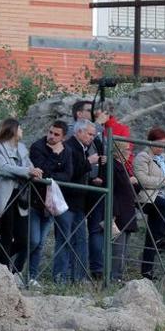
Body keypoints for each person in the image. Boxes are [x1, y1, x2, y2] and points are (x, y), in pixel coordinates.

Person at [0, 119, 42, 278]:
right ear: (13, 129)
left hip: (20, 196)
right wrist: (28, 171)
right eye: (20, 128)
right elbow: (3, 167)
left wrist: (35, 171)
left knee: (23, 238)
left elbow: (29, 166)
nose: (22, 131)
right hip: (4, 195)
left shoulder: (22, 148)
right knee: (6, 235)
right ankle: (1, 274)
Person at [28, 121, 73, 285]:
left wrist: (51, 174)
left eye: (56, 135)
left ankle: (31, 277)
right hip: (35, 200)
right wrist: (54, 156)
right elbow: (41, 171)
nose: (52, 136)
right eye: (50, 132)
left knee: (40, 243)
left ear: (63, 137)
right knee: (32, 240)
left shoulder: (66, 150)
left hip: (50, 204)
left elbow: (68, 175)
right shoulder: (37, 146)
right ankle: (16, 269)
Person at [134, 127, 165, 280]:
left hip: (163, 196)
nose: (161, 147)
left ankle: (147, 273)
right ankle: (162, 239)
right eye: (158, 144)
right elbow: (143, 180)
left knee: (151, 235)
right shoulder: (143, 156)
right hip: (147, 197)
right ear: (150, 142)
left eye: (163, 144)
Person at [62, 119, 99, 282]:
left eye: (94, 135)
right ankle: (67, 276)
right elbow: (72, 172)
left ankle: (77, 276)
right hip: (69, 200)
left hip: (78, 201)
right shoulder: (70, 147)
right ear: (79, 132)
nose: (92, 138)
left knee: (78, 239)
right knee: (67, 240)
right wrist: (89, 163)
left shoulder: (81, 148)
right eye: (90, 134)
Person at [109, 139, 139, 280]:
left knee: (124, 248)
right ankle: (115, 277)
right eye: (127, 150)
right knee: (118, 248)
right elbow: (114, 189)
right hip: (119, 212)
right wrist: (114, 213)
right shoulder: (113, 165)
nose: (129, 153)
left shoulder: (124, 166)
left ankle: (118, 276)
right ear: (118, 151)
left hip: (127, 211)